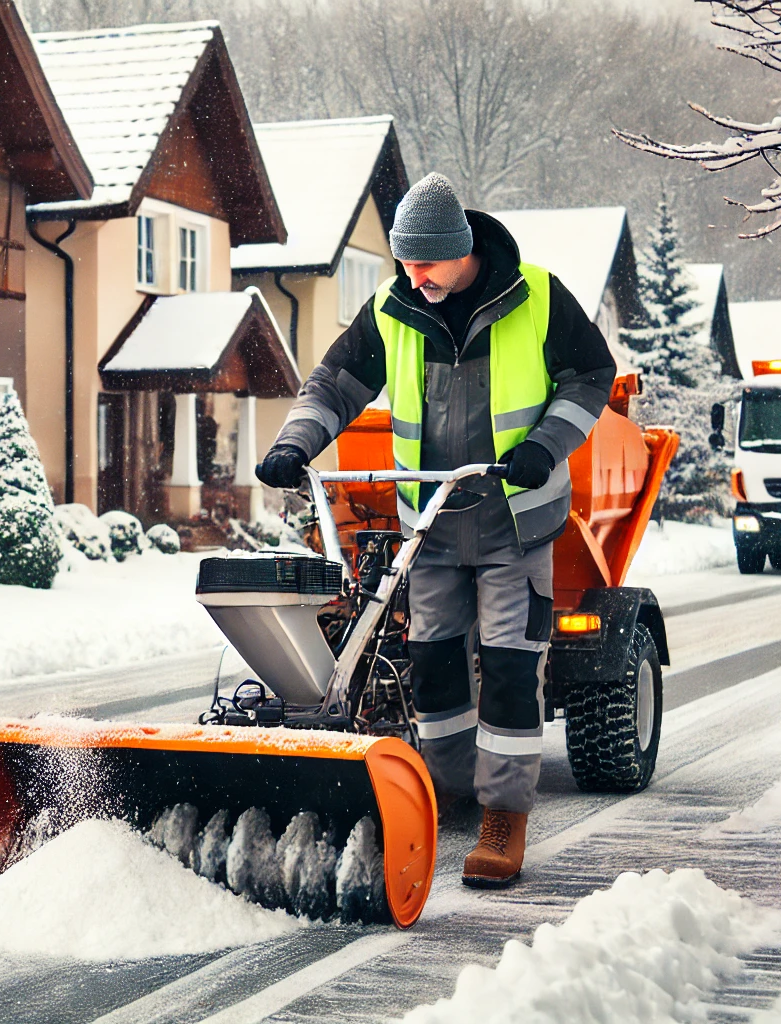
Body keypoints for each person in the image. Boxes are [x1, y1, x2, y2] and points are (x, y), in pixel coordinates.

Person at [257, 173, 616, 887]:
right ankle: (451, 784)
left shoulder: (537, 297)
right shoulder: (393, 308)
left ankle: (504, 817)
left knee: (512, 665)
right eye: (404, 261)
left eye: (425, 262)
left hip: (516, 518)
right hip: (433, 522)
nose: (412, 275)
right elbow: (332, 385)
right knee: (435, 665)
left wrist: (544, 446)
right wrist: (295, 443)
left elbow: (590, 375)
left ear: (461, 252)